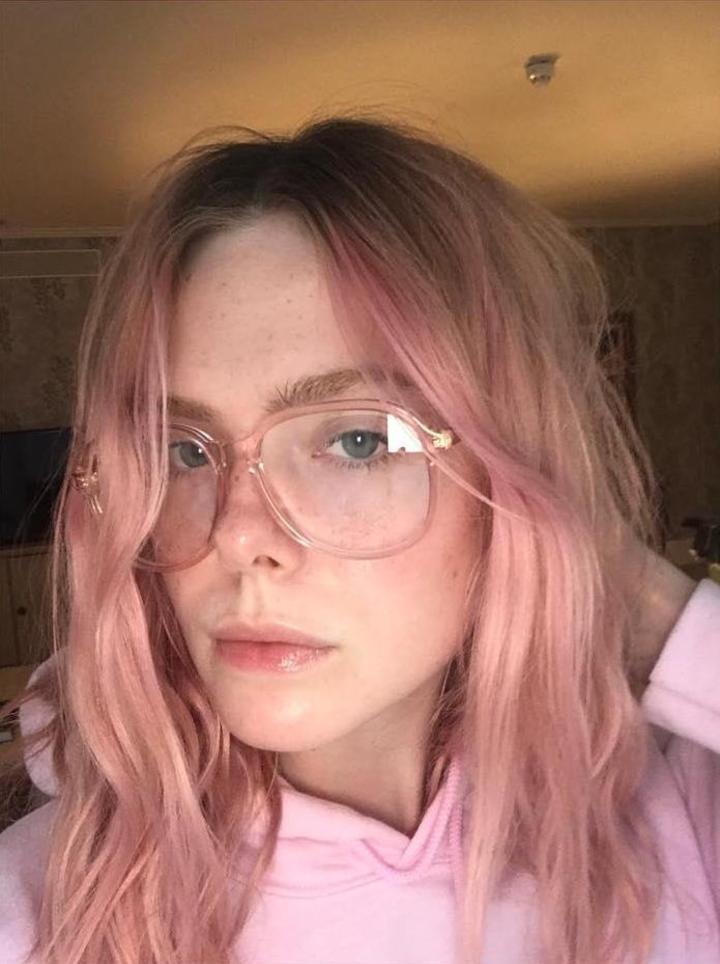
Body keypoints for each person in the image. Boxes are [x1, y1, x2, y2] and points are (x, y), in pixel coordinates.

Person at [0, 116, 717, 964]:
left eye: (358, 439)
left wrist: (626, 594)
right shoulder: (41, 908)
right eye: (183, 451)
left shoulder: (675, 827)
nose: (238, 536)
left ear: (510, 483)